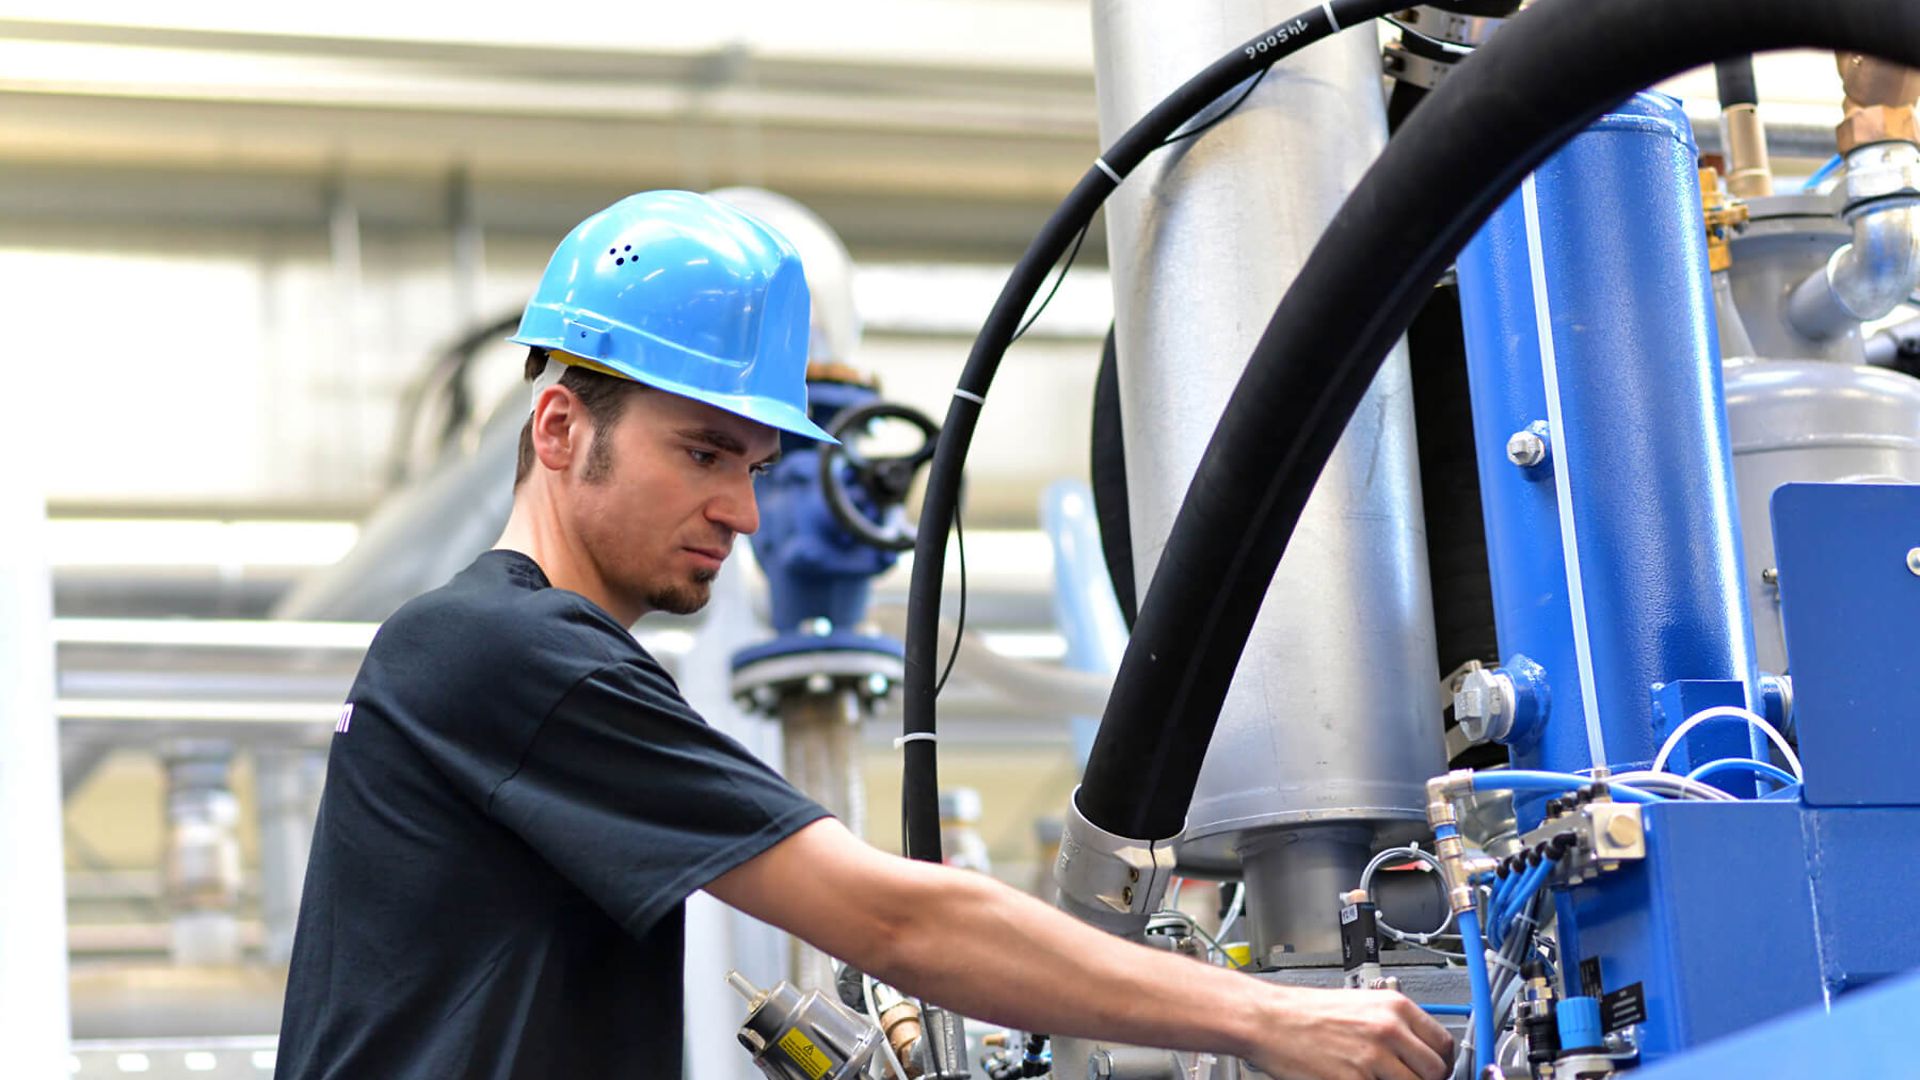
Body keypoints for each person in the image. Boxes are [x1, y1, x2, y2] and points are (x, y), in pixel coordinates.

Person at [274, 190, 1454, 1080]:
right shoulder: (500, 654)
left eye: (754, 465)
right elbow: (898, 921)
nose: (739, 509)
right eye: (700, 452)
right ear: (558, 425)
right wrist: (1271, 1017)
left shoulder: (525, 667)